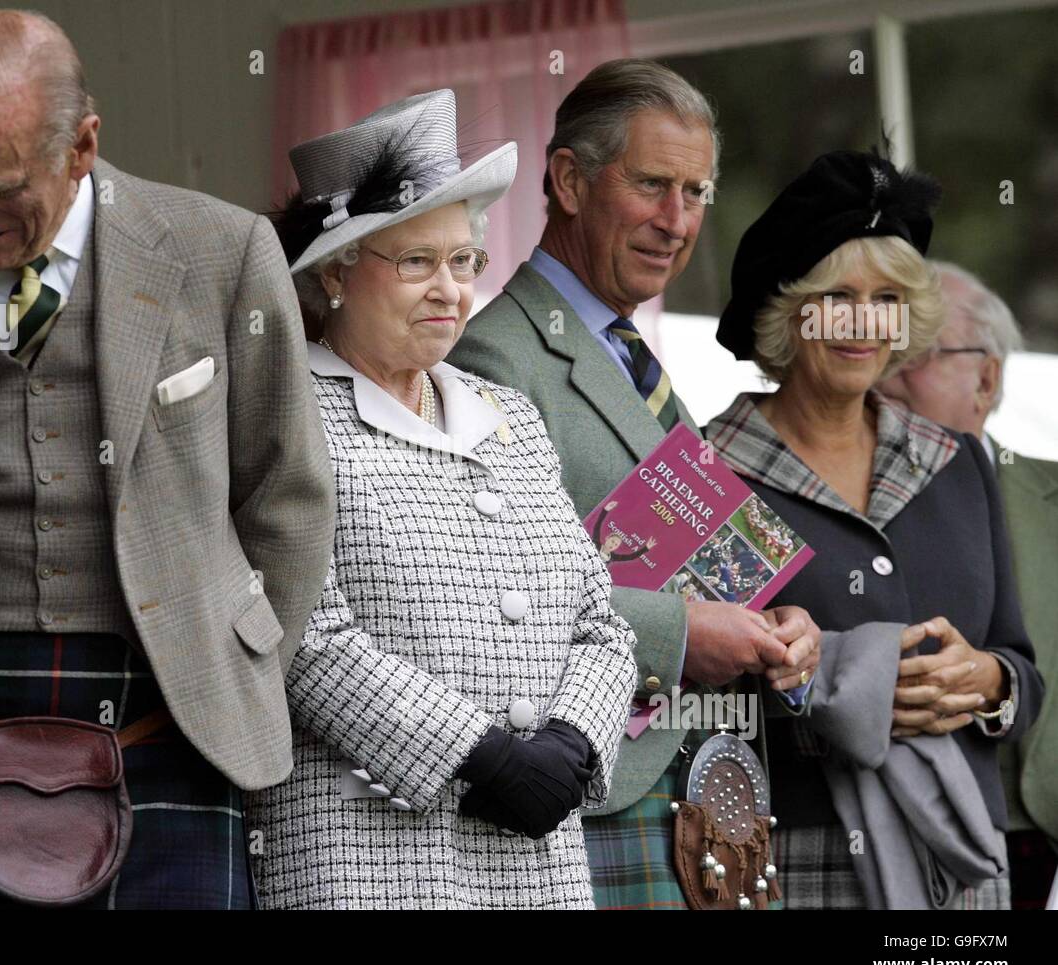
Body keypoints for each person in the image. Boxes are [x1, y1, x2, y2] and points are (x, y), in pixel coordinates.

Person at [0, 10, 335, 908]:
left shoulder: (222, 252)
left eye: (0, 188)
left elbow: (290, 498)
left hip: (168, 717)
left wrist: (225, 672)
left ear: (83, 146)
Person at [249, 89, 638, 909]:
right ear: (335, 273)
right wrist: (477, 754)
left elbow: (599, 622)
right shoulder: (283, 415)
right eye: (417, 262)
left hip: (537, 863)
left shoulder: (511, 417)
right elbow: (302, 633)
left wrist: (573, 738)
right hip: (364, 854)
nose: (450, 290)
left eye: (463, 261)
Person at [447, 58, 820, 908]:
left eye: (697, 193)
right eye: (653, 184)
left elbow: (706, 556)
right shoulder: (490, 358)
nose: (677, 220)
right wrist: (683, 633)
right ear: (569, 181)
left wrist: (777, 628)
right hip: (601, 800)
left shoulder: (635, 356)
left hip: (705, 791)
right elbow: (497, 598)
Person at [705, 150, 1044, 908]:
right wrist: (849, 690)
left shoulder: (955, 462)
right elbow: (682, 697)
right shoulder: (707, 476)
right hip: (790, 861)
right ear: (786, 311)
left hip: (964, 861)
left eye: (887, 298)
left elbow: (1022, 670)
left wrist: (986, 683)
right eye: (838, 296)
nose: (864, 322)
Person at [880, 261, 1058, 908]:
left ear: (987, 377)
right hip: (905, 836)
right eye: (880, 346)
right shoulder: (843, 501)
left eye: (916, 352)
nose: (884, 370)